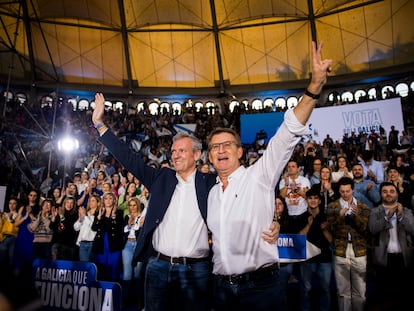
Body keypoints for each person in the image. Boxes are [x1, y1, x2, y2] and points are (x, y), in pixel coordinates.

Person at [92, 94, 278, 311]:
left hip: (196, 271)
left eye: (181, 151)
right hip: (158, 267)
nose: (175, 155)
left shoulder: (211, 182)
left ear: (197, 154)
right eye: (173, 151)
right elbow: (129, 158)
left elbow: (246, 198)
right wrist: (99, 124)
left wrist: (272, 221)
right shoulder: (161, 178)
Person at [206, 41, 332, 311]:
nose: (221, 150)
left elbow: (286, 135)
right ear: (209, 157)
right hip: (220, 289)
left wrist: (314, 88)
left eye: (227, 144)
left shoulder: (259, 175)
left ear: (240, 152)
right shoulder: (211, 193)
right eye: (215, 147)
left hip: (260, 288)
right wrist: (272, 220)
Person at [368, 182, 414, 310]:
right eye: (385, 191)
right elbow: (372, 229)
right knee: (384, 295)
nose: (388, 193)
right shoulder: (375, 211)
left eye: (391, 191)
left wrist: (400, 217)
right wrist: (387, 217)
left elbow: (412, 229)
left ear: (397, 193)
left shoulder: (406, 211)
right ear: (381, 194)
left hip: (403, 258)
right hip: (383, 259)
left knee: (404, 295)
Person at [326, 177, 370, 311]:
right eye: (342, 191)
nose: (345, 194)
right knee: (342, 291)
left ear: (353, 190)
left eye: (348, 191)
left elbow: (366, 230)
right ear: (339, 191)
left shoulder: (363, 206)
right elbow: (332, 230)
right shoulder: (332, 206)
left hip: (359, 250)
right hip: (340, 250)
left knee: (360, 291)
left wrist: (356, 218)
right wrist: (340, 217)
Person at [298, 188, 333, 311]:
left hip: (324, 258)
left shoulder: (326, 217)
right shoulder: (302, 217)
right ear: (306, 200)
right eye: (310, 198)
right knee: (306, 289)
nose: (313, 201)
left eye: (315, 198)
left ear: (319, 201)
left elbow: (330, 240)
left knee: (325, 289)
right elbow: (299, 239)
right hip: (307, 258)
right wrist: (308, 225)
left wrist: (325, 229)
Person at [91, 192, 124, 282]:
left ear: (114, 200)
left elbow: (119, 229)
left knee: (113, 268)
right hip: (101, 244)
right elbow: (94, 228)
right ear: (103, 201)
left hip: (113, 244)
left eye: (110, 198)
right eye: (106, 198)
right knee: (101, 268)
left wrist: (113, 216)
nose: (108, 200)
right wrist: (98, 217)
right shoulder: (99, 212)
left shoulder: (119, 212)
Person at [279, 159, 311, 232]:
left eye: (293, 166)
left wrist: (297, 190)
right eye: (289, 166)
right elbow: (282, 197)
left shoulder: (304, 180)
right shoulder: (283, 181)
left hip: (302, 214)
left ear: (298, 169)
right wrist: (286, 185)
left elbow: (307, 196)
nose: (290, 168)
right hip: (288, 215)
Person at [49, 196, 79, 260]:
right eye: (67, 202)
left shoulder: (75, 215)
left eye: (71, 203)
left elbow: (70, 229)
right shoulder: (59, 212)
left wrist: (62, 217)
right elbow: (52, 227)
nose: (69, 205)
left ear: (74, 205)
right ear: (64, 203)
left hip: (69, 245)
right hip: (57, 243)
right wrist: (54, 217)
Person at [74, 193, 101, 261]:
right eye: (90, 201)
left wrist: (84, 216)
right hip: (82, 243)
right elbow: (76, 227)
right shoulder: (86, 213)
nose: (90, 202)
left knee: (91, 265)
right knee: (83, 266)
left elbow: (93, 226)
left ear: (98, 203)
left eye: (93, 200)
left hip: (92, 243)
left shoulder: (98, 214)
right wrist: (80, 218)